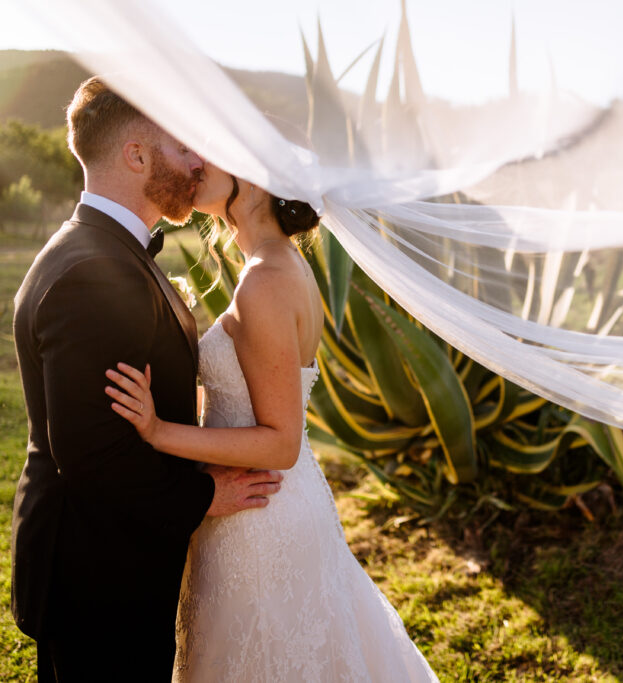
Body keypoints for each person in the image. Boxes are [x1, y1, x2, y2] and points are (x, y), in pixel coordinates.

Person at [104, 160, 439, 681]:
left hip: (259, 515)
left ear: (255, 173)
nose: (194, 162)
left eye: (211, 151)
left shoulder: (265, 282)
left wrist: (158, 431)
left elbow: (281, 441)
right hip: (274, 500)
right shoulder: (276, 266)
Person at [11, 77, 284, 681]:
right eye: (183, 145)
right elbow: (95, 460)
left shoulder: (102, 250)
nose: (197, 162)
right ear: (136, 155)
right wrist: (207, 495)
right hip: (98, 582)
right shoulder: (91, 273)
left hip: (114, 565)